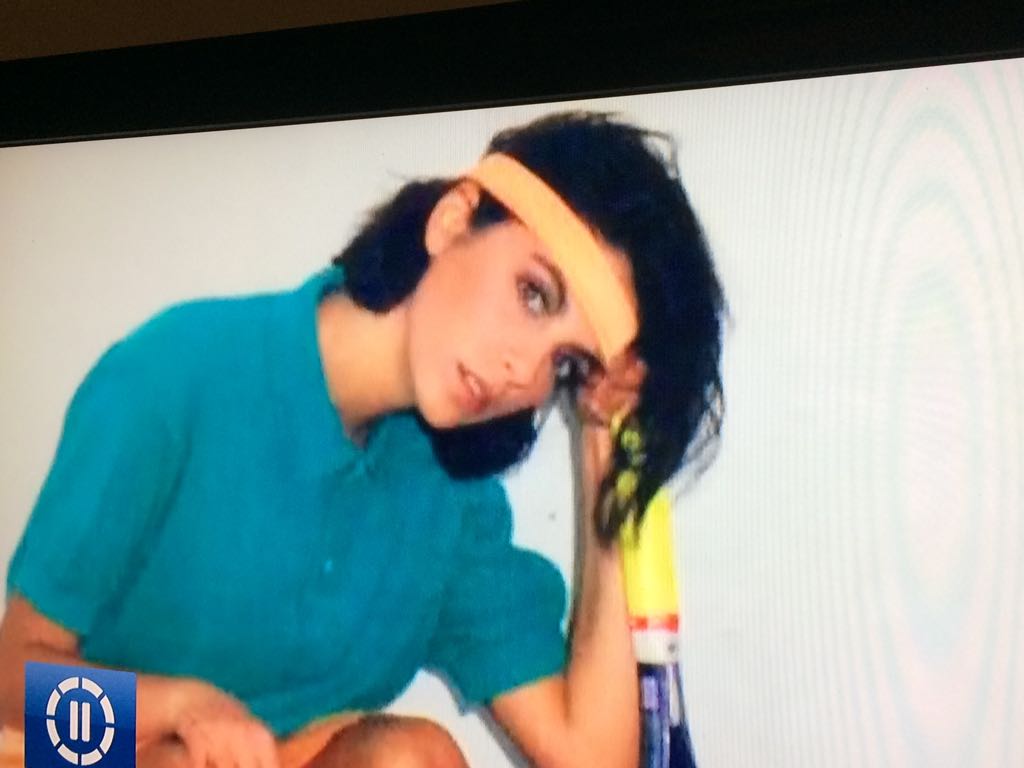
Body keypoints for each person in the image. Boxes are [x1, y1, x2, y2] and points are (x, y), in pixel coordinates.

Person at [0, 111, 726, 768]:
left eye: (566, 365)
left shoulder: (451, 499)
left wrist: (606, 448)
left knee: (410, 759)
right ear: (453, 220)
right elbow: (11, 690)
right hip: (81, 755)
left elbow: (593, 758)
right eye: (533, 293)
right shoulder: (176, 375)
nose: (525, 373)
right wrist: (175, 710)